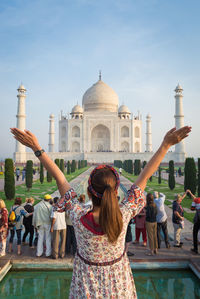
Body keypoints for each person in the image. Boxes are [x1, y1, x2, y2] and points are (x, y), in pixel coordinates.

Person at [11, 125, 191, 298]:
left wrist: (37, 148)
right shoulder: (124, 214)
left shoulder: (77, 215)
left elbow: (60, 178)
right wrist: (166, 145)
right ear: (115, 192)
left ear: (88, 192)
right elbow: (143, 178)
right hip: (119, 289)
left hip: (85, 288)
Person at [187, 189, 200, 254]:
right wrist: (190, 192)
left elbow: (192, 209)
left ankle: (195, 249)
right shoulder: (196, 199)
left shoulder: (196, 200)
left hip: (198, 220)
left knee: (195, 233)